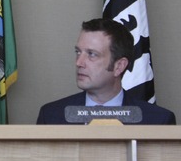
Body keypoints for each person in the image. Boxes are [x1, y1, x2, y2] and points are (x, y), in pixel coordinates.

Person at [36, 18, 175, 125]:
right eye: (78, 52)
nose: (78, 63)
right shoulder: (50, 116)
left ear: (119, 66)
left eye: (92, 54)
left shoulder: (158, 120)